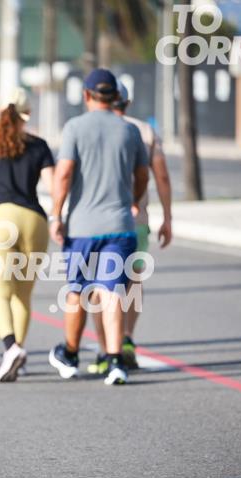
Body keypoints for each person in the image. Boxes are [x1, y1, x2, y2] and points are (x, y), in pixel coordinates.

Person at [49, 69, 149, 385]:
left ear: (86, 95)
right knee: (112, 292)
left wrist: (56, 214)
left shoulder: (75, 127)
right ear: (116, 96)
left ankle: (70, 353)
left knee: (78, 291)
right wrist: (134, 199)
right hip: (120, 225)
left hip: (82, 227)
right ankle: (115, 360)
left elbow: (64, 173)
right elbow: (143, 174)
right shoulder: (130, 130)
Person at [83, 82, 173, 373]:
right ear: (127, 102)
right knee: (133, 280)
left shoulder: (88, 127)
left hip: (95, 220)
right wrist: (167, 217)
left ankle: (104, 349)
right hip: (137, 220)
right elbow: (161, 176)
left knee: (99, 285)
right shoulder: (144, 131)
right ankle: (127, 339)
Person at [0, 88, 54, 382]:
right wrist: (58, 216)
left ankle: (10, 347)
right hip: (34, 220)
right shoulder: (39, 146)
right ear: (27, 115)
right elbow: (55, 187)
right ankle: (19, 352)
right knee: (23, 293)